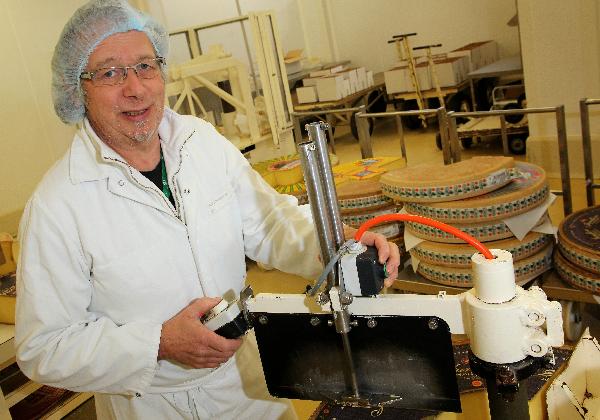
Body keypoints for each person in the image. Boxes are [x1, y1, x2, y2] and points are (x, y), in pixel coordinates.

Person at [15, 0, 400, 419]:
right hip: (152, 405)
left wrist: (333, 245)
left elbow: (270, 222)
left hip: (249, 388)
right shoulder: (58, 204)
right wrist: (158, 342)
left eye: (146, 65)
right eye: (110, 73)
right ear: (78, 89)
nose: (136, 88)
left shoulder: (199, 141)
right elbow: (44, 348)